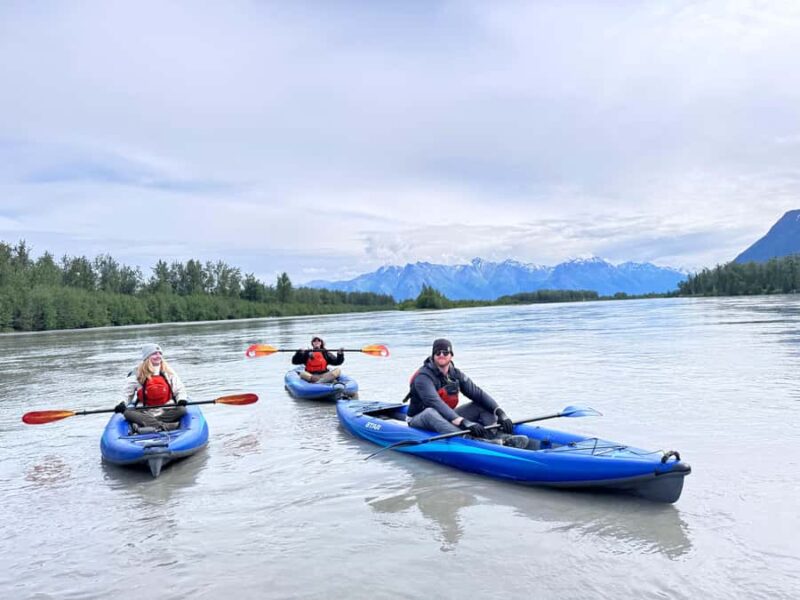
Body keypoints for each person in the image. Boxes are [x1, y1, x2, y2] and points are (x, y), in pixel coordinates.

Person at [406, 338, 529, 448]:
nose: (441, 355)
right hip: (420, 419)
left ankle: (499, 436)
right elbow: (434, 403)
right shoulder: (423, 377)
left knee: (481, 404)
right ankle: (474, 441)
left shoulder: (455, 374)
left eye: (445, 352)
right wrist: (463, 422)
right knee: (430, 412)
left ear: (451, 355)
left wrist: (500, 412)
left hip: (446, 417)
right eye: (437, 353)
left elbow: (478, 394)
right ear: (433, 356)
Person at [114, 343, 188, 433]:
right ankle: (164, 426)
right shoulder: (137, 373)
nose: (158, 356)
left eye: (160, 353)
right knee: (127, 413)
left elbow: (179, 389)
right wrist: (122, 403)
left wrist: (181, 399)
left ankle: (149, 425)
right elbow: (126, 393)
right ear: (147, 357)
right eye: (154, 354)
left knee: (182, 409)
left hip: (167, 410)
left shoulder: (168, 371)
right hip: (145, 411)